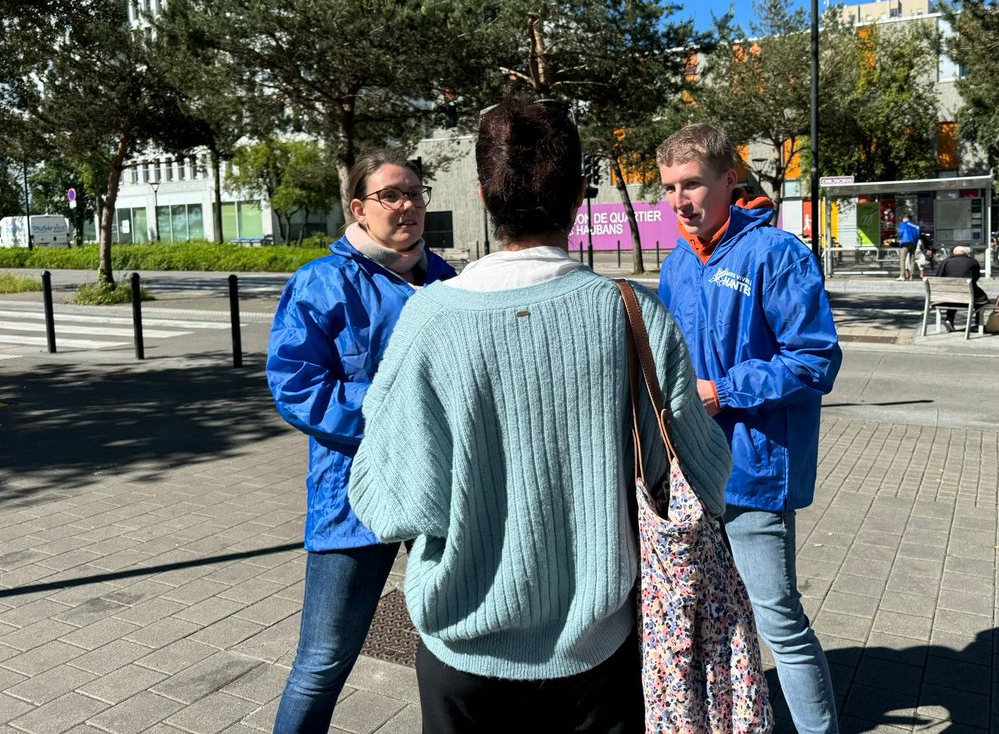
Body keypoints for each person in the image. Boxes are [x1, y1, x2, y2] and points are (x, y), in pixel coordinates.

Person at [348, 99, 732, 734]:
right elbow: (706, 477)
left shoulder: (430, 319)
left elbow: (391, 504)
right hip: (598, 650)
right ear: (580, 194)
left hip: (462, 653)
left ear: (483, 195)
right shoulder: (633, 313)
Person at [656, 123, 842, 734]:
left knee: (778, 622)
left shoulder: (778, 254)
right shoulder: (679, 261)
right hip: (693, 473)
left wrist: (725, 390)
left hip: (754, 473)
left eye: (694, 185)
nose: (681, 201)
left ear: (729, 182)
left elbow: (815, 359)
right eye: (670, 188)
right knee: (714, 620)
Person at [266, 149, 456, 733]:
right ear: (358, 208)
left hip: (437, 493)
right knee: (323, 662)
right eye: (391, 195)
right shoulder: (321, 283)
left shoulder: (448, 280)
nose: (407, 206)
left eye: (415, 193)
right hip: (351, 500)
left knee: (451, 652)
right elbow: (297, 387)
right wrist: (396, 413)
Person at [935, 245, 989, 333]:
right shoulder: (973, 262)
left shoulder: (945, 262)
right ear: (966, 252)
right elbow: (976, 277)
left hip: (947, 297)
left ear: (954, 252)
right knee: (983, 299)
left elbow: (938, 277)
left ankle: (949, 319)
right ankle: (978, 324)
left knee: (954, 295)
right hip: (966, 296)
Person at [897, 214, 921, 281]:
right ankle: (911, 276)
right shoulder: (916, 227)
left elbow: (900, 233)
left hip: (905, 242)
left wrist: (901, 238)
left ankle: (902, 276)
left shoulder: (904, 224)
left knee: (902, 259)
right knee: (912, 260)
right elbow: (918, 236)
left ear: (905, 218)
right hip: (913, 244)